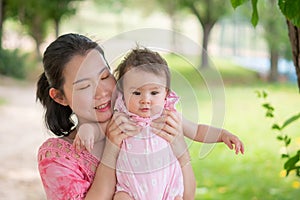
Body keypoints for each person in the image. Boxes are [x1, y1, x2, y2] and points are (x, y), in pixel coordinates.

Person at [37, 33, 244, 200]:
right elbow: (96, 132)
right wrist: (104, 142)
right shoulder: (59, 156)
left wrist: (187, 148)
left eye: (104, 76)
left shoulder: (147, 117)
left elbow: (188, 194)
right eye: (84, 86)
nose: (101, 92)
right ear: (60, 97)